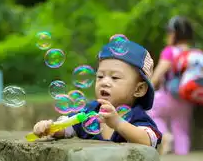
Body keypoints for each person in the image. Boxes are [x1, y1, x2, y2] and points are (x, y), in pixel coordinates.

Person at [32, 40, 162, 148]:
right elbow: (67, 127)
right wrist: (50, 128)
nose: (104, 82)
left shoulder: (136, 117)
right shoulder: (89, 111)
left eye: (115, 77)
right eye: (100, 76)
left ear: (139, 89)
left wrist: (117, 123)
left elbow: (148, 141)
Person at [148, 16, 194, 155]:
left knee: (150, 112)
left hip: (167, 96)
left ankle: (164, 136)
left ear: (174, 33)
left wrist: (146, 88)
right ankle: (183, 158)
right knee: (181, 130)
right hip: (186, 99)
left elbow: (157, 75)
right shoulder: (193, 53)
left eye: (169, 32)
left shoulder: (170, 51)